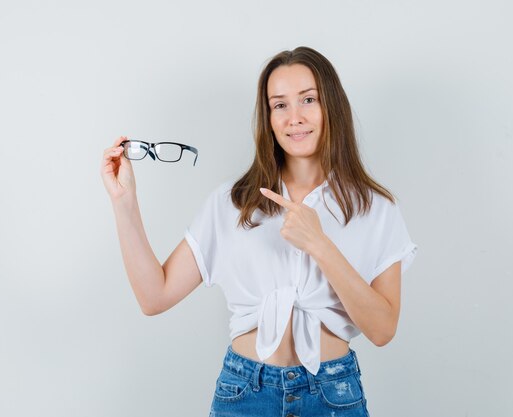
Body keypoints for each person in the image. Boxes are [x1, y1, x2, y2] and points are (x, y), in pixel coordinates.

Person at [100, 46, 417, 417]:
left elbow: (382, 330)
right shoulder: (232, 203)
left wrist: (319, 244)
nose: (294, 117)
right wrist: (125, 204)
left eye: (308, 100)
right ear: (267, 117)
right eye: (279, 105)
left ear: (332, 105)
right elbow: (154, 297)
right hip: (245, 393)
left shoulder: (375, 208)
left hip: (333, 394)